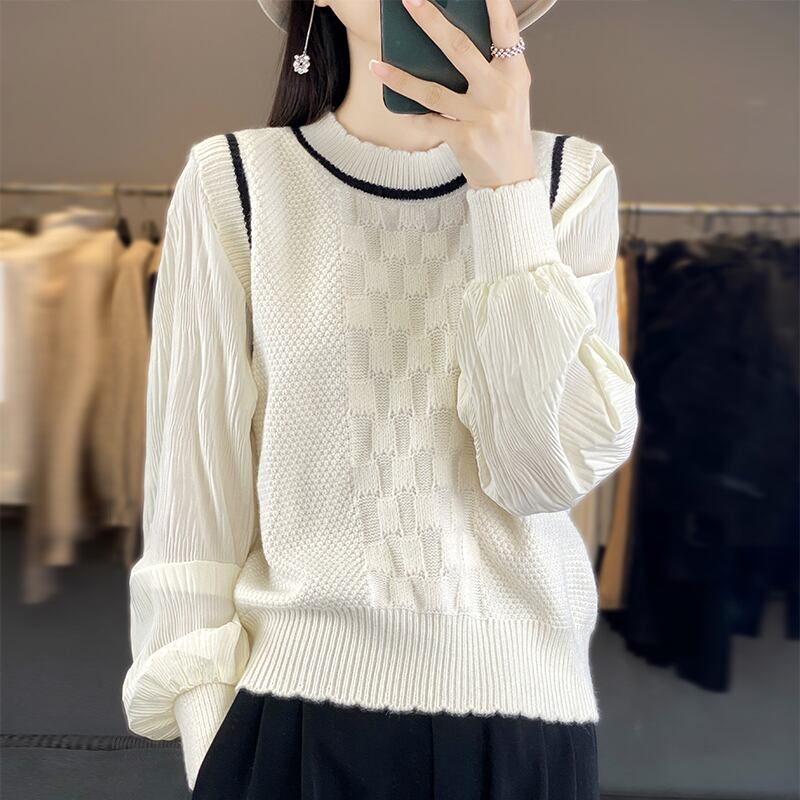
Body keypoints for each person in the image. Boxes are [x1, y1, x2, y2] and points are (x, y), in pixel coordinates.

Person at [121, 0, 639, 796]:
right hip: (292, 718)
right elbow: (193, 506)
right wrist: (211, 749)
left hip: (521, 727)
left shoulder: (569, 181)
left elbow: (537, 474)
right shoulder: (236, 181)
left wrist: (506, 189)